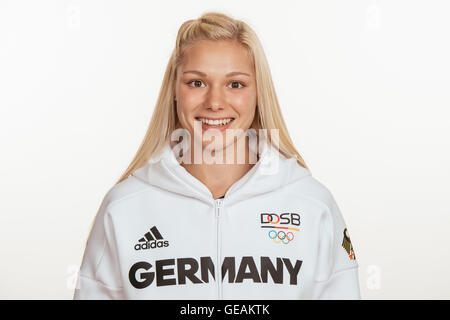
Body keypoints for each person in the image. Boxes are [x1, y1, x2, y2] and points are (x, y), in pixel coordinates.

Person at [73, 11, 360, 300]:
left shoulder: (312, 205)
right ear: (174, 90)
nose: (214, 102)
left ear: (258, 92)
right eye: (197, 83)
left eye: (235, 84)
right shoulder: (123, 209)